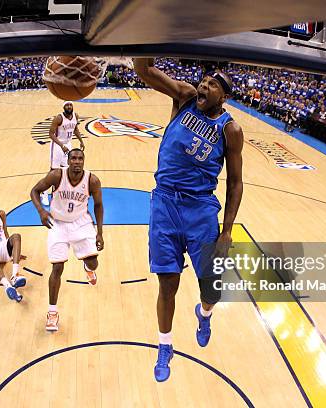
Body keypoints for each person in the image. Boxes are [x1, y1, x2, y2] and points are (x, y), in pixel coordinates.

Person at [133, 58, 244, 382]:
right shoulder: (183, 97)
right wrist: (150, 32)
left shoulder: (230, 129)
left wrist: (227, 231)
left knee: (212, 289)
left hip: (201, 210)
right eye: (204, 81)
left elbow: (235, 182)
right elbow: (144, 70)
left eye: (212, 86)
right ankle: (164, 346)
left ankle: (204, 313)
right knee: (168, 284)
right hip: (165, 202)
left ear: (223, 98)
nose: (204, 87)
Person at [30, 149, 104, 332]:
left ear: (84, 161)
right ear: (68, 161)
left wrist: (100, 232)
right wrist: (41, 211)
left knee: (93, 262)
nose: (77, 161)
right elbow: (35, 191)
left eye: (80, 158)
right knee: (57, 268)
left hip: (81, 222)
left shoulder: (92, 180)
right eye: (74, 158)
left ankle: (87, 268)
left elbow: (99, 205)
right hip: (58, 224)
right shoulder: (57, 175)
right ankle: (52, 312)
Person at [41, 101, 86, 206]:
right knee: (54, 170)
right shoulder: (59, 118)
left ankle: (59, 192)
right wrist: (61, 145)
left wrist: (81, 140)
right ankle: (44, 192)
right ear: (63, 107)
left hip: (68, 144)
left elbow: (75, 129)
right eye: (67, 105)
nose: (69, 107)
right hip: (57, 145)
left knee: (66, 169)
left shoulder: (76, 116)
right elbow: (50, 134)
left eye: (70, 105)